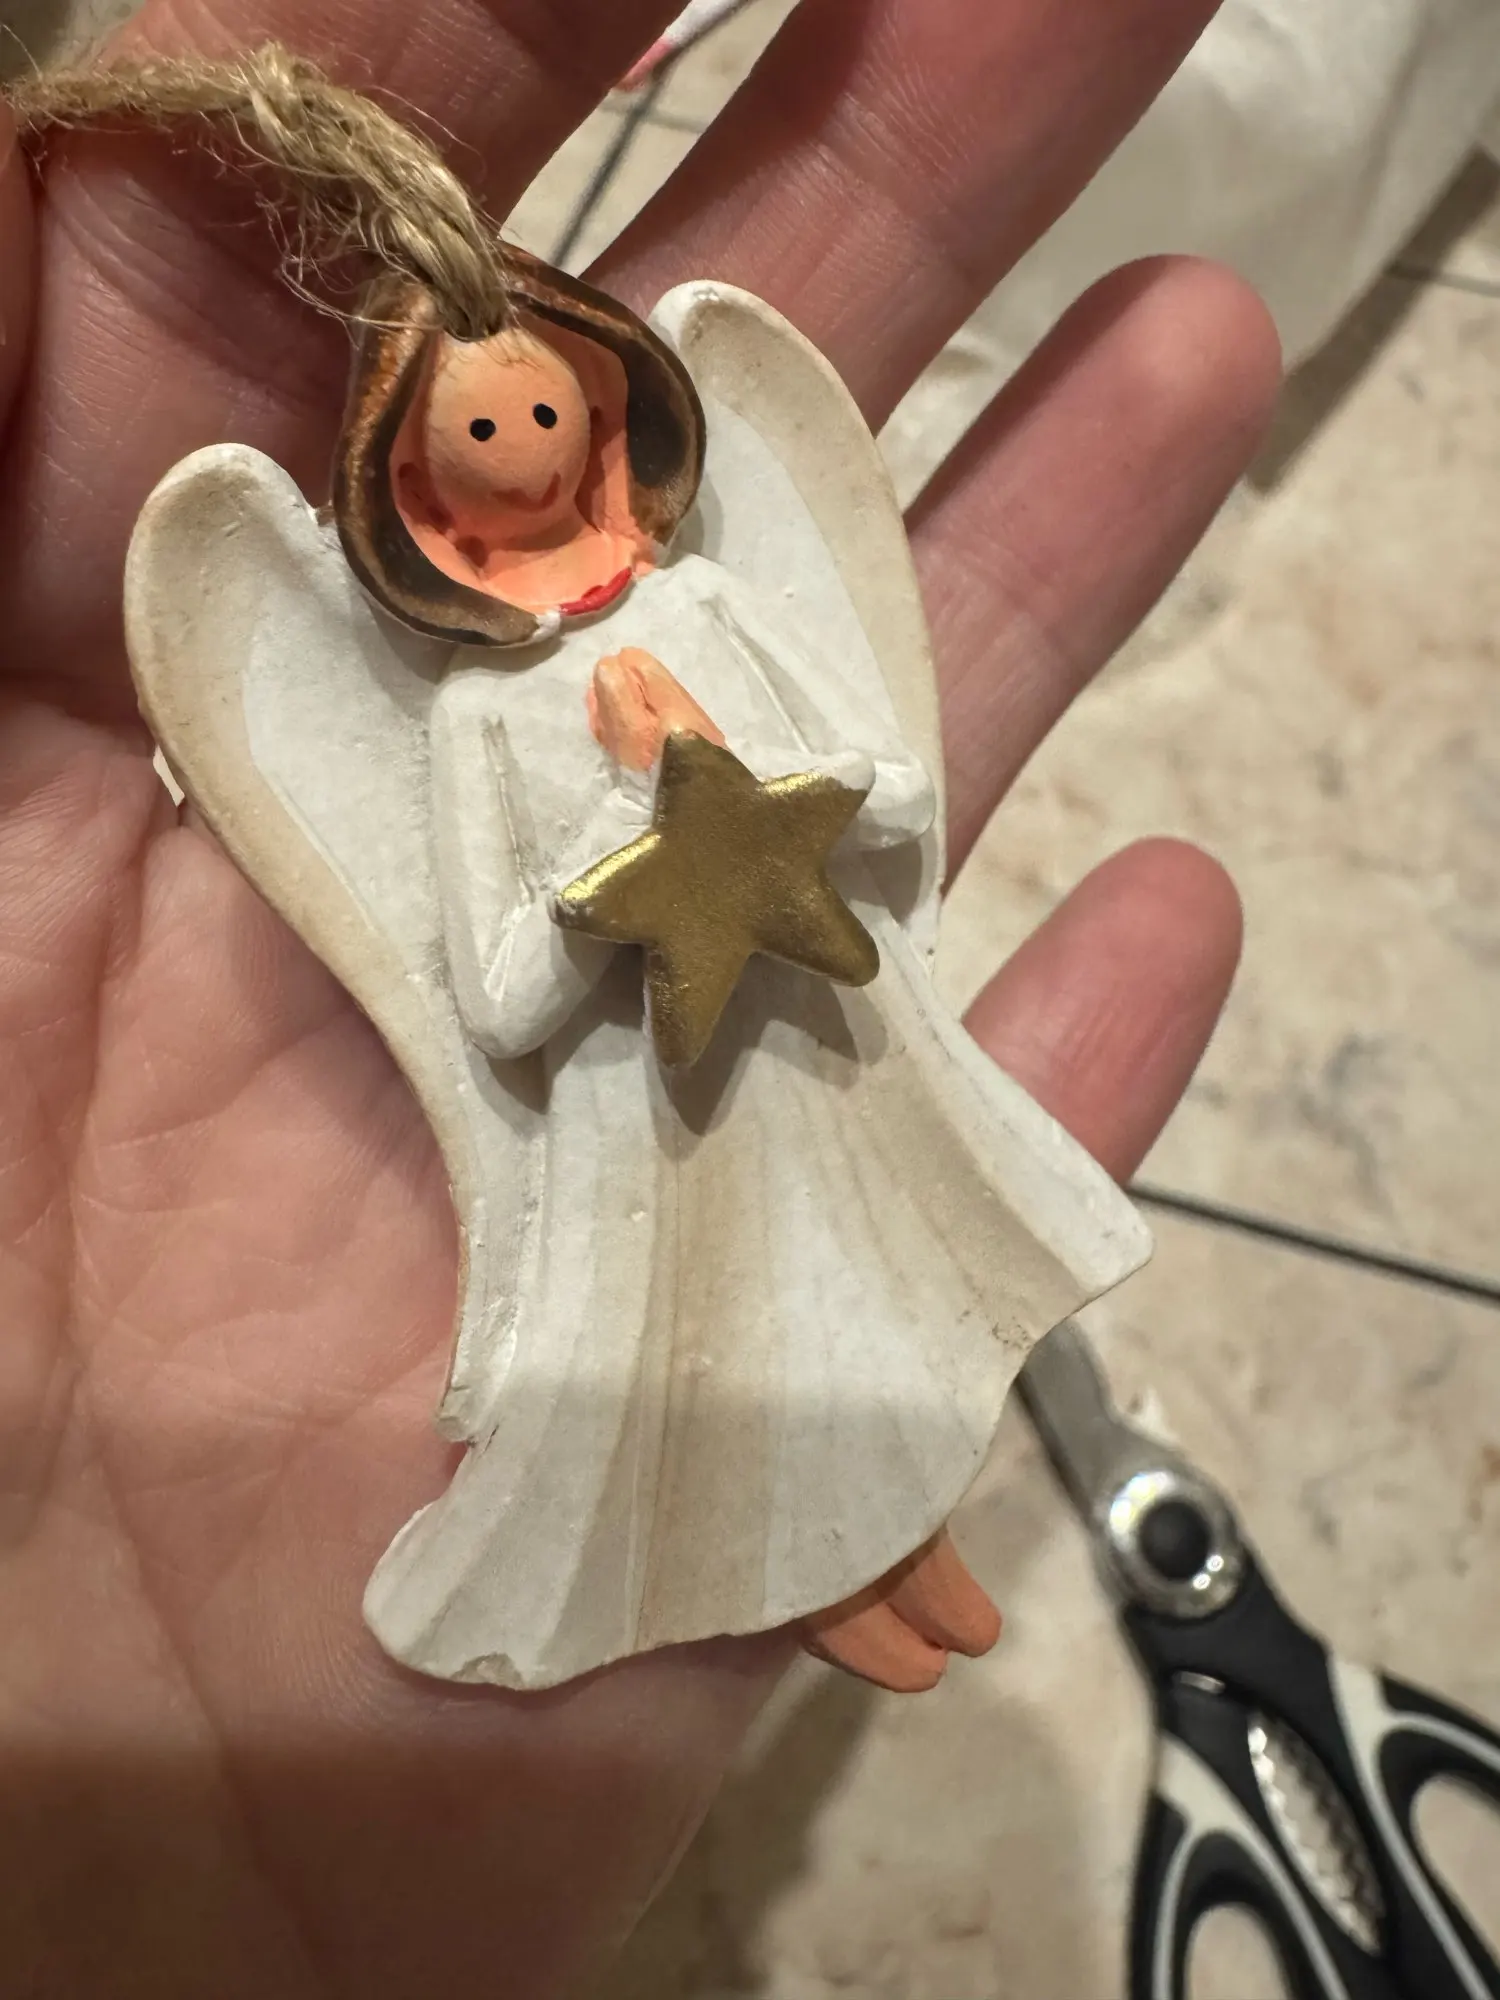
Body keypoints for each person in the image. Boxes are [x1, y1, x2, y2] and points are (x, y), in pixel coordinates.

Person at [0, 0, 1280, 1992]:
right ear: (416, 494)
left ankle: (897, 1545)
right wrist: (634, 885)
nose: (523, 457)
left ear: (612, 416)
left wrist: (762, 795)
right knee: (711, 1370)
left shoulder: (707, 609)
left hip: (820, 1047)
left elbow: (896, 797)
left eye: (548, 419)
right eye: (475, 443)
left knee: (877, 1310)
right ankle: (821, 1569)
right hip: (644, 1131)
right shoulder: (477, 729)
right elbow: (500, 992)